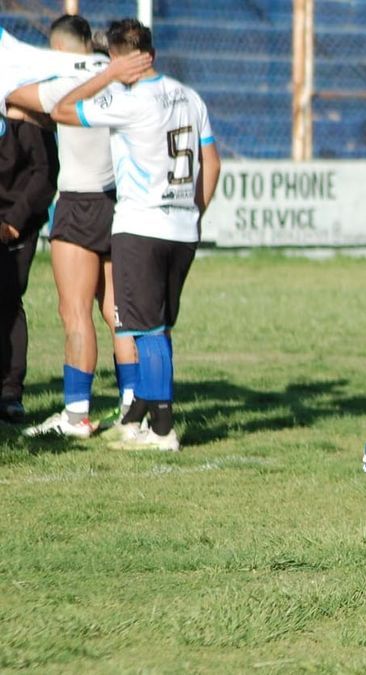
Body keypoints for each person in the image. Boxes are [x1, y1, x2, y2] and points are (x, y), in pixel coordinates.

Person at [50, 18, 221, 451]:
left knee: (146, 328)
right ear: (152, 53)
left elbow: (61, 110)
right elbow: (212, 164)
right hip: (182, 227)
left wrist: (106, 76)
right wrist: (191, 214)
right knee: (156, 325)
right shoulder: (190, 96)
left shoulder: (129, 100)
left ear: (119, 59)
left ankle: (161, 430)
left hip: (141, 227)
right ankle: (139, 412)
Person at [7, 14, 140, 439]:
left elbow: (15, 99)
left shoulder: (64, 75)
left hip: (79, 202)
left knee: (74, 311)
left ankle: (76, 415)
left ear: (59, 48)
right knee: (118, 312)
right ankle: (131, 408)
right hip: (119, 200)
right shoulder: (118, 75)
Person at [0, 102, 58, 423]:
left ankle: (10, 392)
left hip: (15, 223)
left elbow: (45, 173)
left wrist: (13, 222)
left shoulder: (25, 108)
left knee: (7, 299)